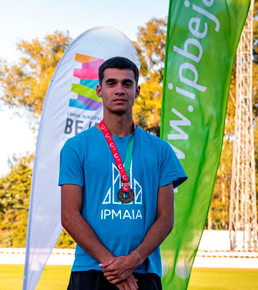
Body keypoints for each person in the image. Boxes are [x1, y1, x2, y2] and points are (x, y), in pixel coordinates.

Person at [59, 56, 187, 290]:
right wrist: (114, 265)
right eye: (111, 83)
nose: (119, 90)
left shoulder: (161, 150)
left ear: (137, 91)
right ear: (99, 90)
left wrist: (134, 260)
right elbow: (69, 215)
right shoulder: (76, 147)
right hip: (91, 271)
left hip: (143, 273)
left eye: (127, 84)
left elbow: (166, 218)